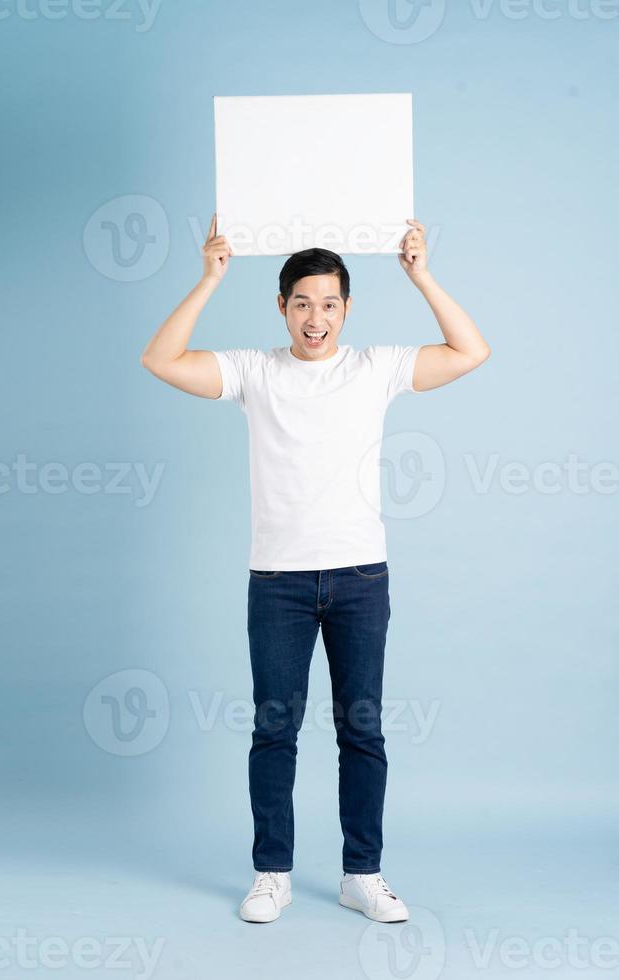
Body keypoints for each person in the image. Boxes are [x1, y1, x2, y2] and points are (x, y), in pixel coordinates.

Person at [140, 214, 490, 924]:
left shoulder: (376, 367)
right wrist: (209, 278)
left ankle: (363, 872)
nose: (315, 317)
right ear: (281, 307)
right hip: (279, 582)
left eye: (329, 302)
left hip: (361, 578)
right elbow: (161, 358)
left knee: (362, 728)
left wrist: (420, 274)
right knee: (275, 728)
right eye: (302, 301)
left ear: (347, 309)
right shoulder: (253, 370)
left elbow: (471, 350)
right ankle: (272, 872)